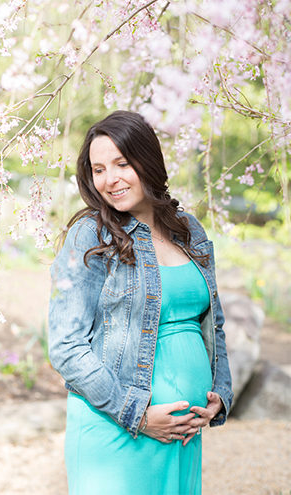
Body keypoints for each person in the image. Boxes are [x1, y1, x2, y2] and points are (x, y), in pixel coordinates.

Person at [48, 110, 233, 494]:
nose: (109, 179)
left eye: (122, 163)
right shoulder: (91, 234)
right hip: (117, 431)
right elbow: (65, 346)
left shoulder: (188, 229)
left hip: (182, 433)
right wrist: (138, 414)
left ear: (147, 161)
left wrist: (219, 395)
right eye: (98, 169)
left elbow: (212, 323)